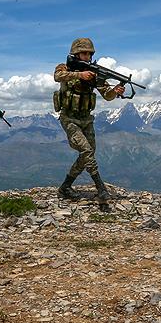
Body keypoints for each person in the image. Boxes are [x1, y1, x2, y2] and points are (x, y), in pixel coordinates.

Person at [53, 38, 125, 211]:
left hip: (86, 119)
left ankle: (65, 187)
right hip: (69, 119)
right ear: (76, 54)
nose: (87, 56)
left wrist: (115, 91)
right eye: (84, 53)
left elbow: (107, 95)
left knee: (89, 153)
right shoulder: (65, 67)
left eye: (89, 54)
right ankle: (100, 188)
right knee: (86, 151)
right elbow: (57, 76)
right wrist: (80, 75)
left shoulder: (94, 74)